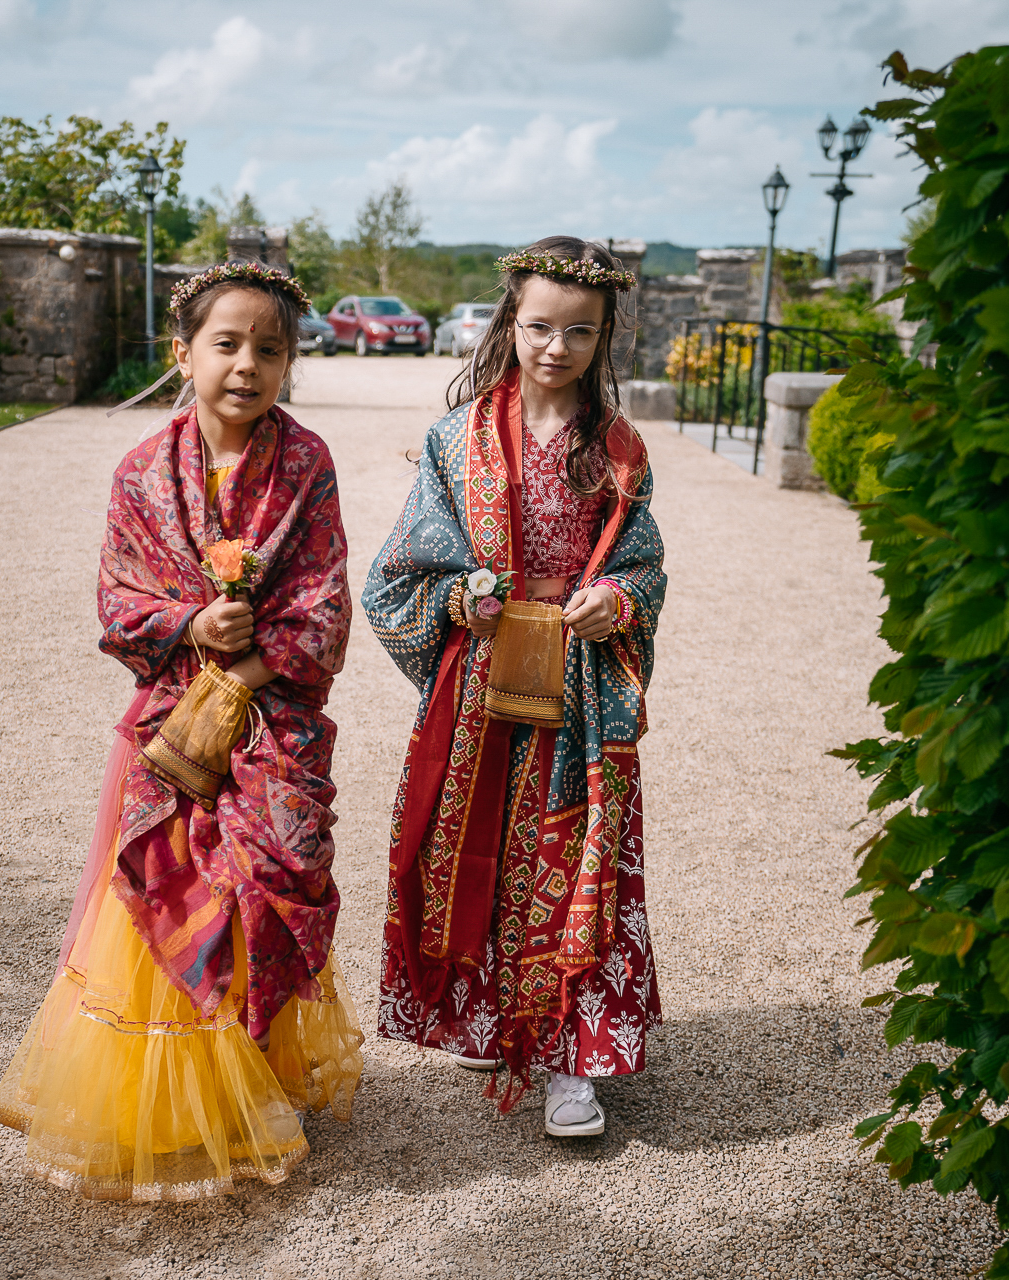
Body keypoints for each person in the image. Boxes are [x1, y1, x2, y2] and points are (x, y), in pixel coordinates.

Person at [0, 262, 362, 1200]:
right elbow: (117, 604)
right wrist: (191, 627)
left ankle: (253, 1072)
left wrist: (241, 670)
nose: (248, 365)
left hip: (271, 721)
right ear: (183, 353)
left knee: (267, 883)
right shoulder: (140, 473)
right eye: (227, 344)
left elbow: (323, 604)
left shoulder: (307, 465)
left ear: (288, 362)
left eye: (270, 349)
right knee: (166, 888)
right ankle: (171, 1099)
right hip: (170, 736)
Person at [363, 236, 665, 1138]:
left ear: (605, 337)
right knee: (483, 856)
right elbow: (395, 574)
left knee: (581, 862)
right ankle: (496, 1021)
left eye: (581, 331)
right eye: (540, 326)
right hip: (482, 685)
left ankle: (577, 1062)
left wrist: (615, 598)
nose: (556, 348)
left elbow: (645, 564)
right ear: (511, 322)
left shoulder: (616, 447)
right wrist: (460, 594)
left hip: (578, 695)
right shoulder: (453, 440)